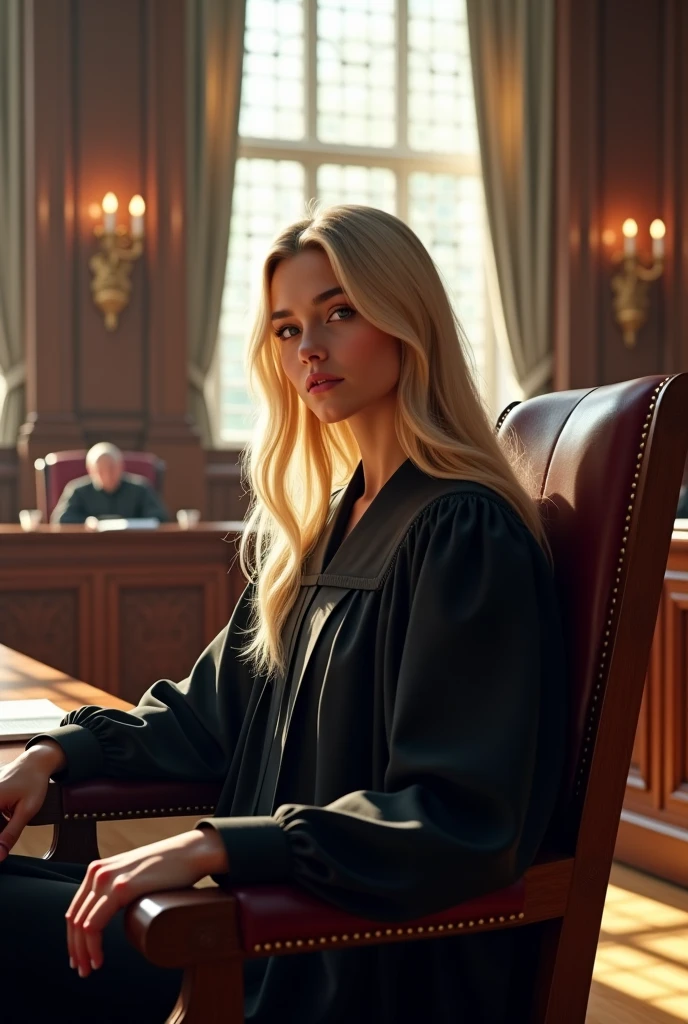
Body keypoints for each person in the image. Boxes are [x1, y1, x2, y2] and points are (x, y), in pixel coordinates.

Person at [0, 205, 567, 1024]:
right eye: (286, 327)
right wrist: (53, 754)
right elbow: (204, 714)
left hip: (341, 960)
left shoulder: (462, 531)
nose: (309, 348)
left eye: (340, 312)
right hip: (249, 922)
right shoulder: (327, 524)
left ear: (409, 320)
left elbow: (455, 814)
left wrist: (217, 844)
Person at [50, 442, 170, 524]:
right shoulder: (77, 490)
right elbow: (60, 520)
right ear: (90, 470)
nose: (107, 475)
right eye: (100, 470)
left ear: (121, 466)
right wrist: (88, 522)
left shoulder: (141, 488)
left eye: (112, 468)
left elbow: (160, 518)